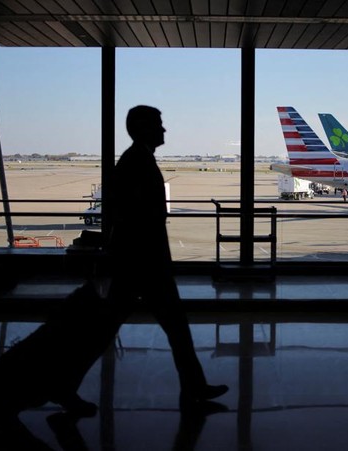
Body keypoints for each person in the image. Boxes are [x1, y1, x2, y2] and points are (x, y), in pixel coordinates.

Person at [107, 105, 228, 407]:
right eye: (159, 124)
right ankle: (194, 389)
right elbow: (141, 218)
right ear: (144, 128)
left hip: (139, 262)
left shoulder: (137, 159)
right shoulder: (138, 161)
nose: (164, 130)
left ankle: (194, 388)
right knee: (174, 328)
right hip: (144, 263)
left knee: (107, 329)